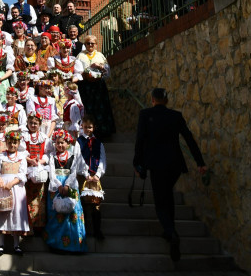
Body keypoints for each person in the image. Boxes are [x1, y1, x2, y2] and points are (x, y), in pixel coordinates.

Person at [133, 87, 207, 262]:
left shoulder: (145, 114)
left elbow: (140, 140)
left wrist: (137, 163)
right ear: (166, 100)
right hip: (174, 164)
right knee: (167, 194)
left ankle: (171, 232)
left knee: (160, 201)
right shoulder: (176, 116)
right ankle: (169, 230)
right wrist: (200, 162)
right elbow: (189, 138)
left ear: (152, 99)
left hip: (156, 164)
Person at [44, 128, 86, 253]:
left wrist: (67, 185)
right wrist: (59, 186)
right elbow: (52, 174)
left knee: (72, 214)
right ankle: (56, 244)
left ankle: (74, 245)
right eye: (58, 143)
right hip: (56, 187)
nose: (60, 145)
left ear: (68, 143)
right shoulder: (52, 157)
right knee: (56, 214)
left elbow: (73, 173)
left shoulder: (73, 157)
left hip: (70, 186)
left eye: (62, 142)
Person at [0, 129, 30, 254]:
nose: (12, 145)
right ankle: (1, 244)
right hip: (2, 187)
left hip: (16, 187)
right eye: (10, 142)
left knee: (16, 213)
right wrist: (0, 181)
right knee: (2, 212)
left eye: (14, 143)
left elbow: (22, 174)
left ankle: (16, 244)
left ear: (18, 144)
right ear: (6, 143)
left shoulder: (21, 157)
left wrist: (12, 183)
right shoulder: (1, 157)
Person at [76, 35, 115, 139]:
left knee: (101, 108)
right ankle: (86, 132)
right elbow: (77, 71)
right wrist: (87, 71)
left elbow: (107, 72)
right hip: (85, 86)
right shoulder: (80, 56)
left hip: (98, 86)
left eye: (92, 43)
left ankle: (102, 132)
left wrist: (99, 66)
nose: (90, 45)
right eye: (88, 43)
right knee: (87, 108)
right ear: (85, 45)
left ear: (96, 45)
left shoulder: (100, 56)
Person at [77, 113, 106, 241]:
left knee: (95, 203)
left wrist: (98, 174)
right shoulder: (78, 142)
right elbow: (79, 158)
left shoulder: (98, 143)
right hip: (83, 176)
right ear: (82, 127)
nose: (88, 129)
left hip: (94, 177)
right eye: (85, 127)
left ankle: (97, 230)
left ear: (94, 128)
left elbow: (102, 159)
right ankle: (82, 231)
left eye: (90, 127)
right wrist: (86, 173)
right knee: (82, 203)